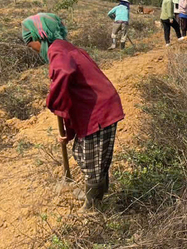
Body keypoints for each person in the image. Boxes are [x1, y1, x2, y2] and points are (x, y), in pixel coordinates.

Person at [21, 13, 124, 210]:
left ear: (40, 36)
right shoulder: (66, 48)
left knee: (93, 163)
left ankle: (93, 206)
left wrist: (53, 98)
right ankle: (94, 194)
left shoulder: (58, 52)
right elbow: (70, 98)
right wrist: (69, 133)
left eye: (30, 43)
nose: (31, 49)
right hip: (93, 110)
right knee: (81, 152)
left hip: (100, 112)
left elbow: (65, 75)